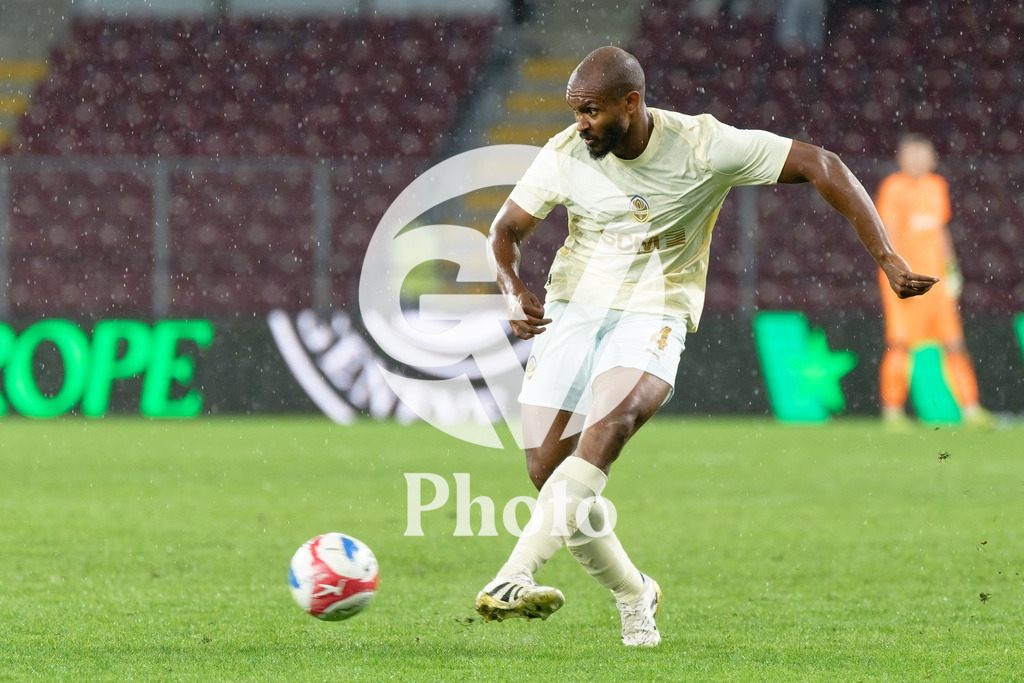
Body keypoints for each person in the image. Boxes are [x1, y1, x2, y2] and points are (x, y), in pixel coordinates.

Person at [474, 46, 938, 647]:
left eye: (590, 112)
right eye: (575, 112)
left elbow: (822, 164)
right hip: (574, 309)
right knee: (548, 472)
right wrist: (512, 291)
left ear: (631, 104)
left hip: (655, 308)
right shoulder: (566, 153)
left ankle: (515, 573)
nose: (580, 124)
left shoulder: (703, 146)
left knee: (610, 427)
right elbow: (505, 230)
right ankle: (634, 592)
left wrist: (886, 256)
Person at [875, 134, 994, 428]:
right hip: (906, 281)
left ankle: (971, 409)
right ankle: (892, 413)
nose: (916, 161)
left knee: (954, 343)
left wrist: (952, 268)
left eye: (921, 155)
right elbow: (887, 233)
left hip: (937, 282)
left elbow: (940, 231)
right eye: (910, 155)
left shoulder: (936, 186)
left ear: (932, 159)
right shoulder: (893, 188)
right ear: (900, 159)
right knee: (900, 344)